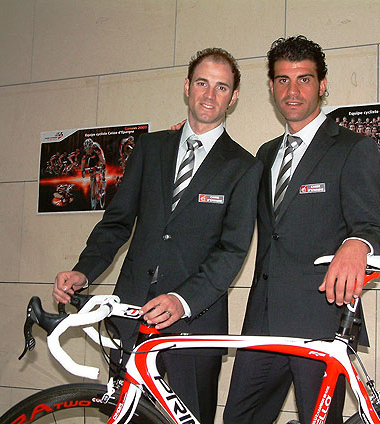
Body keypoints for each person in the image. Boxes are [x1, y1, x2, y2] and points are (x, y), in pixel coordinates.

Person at [52, 47, 263, 424]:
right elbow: (117, 222)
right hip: (130, 314)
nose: (209, 94)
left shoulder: (244, 167)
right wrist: (84, 270)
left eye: (221, 87)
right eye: (202, 83)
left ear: (233, 98)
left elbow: (232, 250)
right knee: (125, 417)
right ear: (187, 87)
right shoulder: (150, 148)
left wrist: (183, 300)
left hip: (194, 324)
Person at [223, 35, 380, 424]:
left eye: (304, 79)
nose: (293, 90)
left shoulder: (353, 148)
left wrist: (356, 244)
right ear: (271, 87)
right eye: (283, 80)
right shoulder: (265, 154)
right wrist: (190, 141)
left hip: (320, 315)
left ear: (322, 85)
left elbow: (372, 228)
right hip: (263, 319)